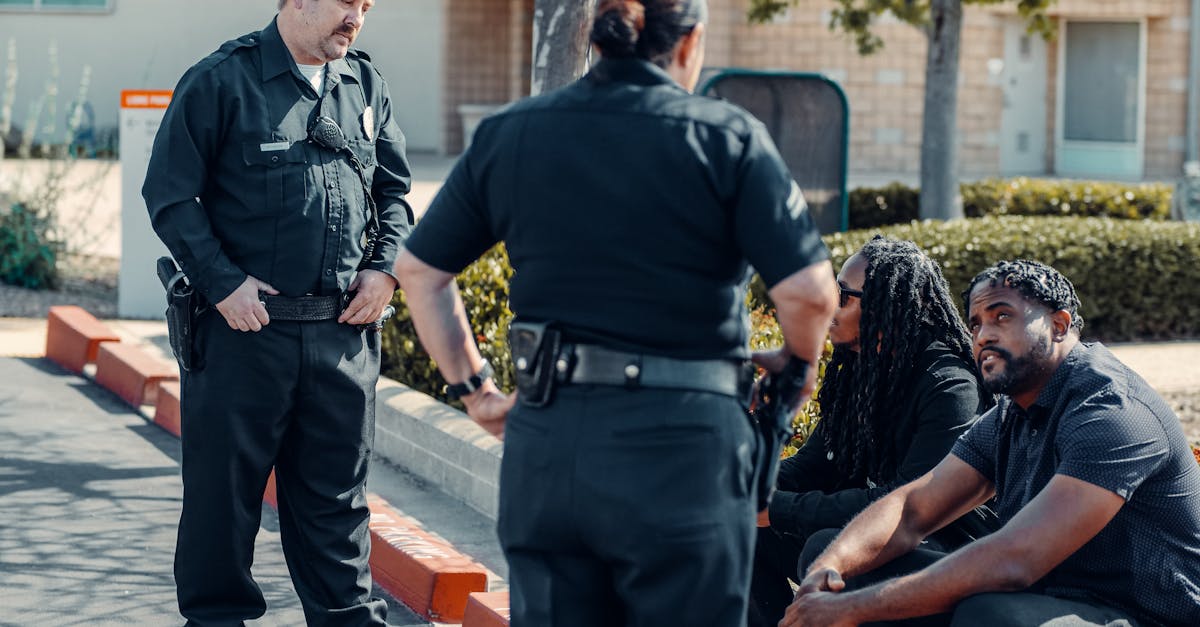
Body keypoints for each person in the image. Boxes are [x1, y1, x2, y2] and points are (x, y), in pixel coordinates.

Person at [394, 0, 838, 624]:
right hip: (684, 448)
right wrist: (797, 369)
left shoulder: (513, 132)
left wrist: (476, 391)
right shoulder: (727, 136)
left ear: (596, 35)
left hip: (552, 446)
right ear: (690, 42)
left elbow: (419, 271)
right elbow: (811, 294)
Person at [141, 1, 413, 624]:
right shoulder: (221, 81)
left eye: (366, 6)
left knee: (338, 508)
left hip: (341, 338)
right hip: (245, 338)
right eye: (346, 2)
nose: (356, 17)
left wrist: (385, 269)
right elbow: (170, 195)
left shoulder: (364, 84)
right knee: (222, 505)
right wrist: (223, 283)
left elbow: (394, 193)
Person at [781, 260, 1200, 627]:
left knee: (991, 615)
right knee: (839, 561)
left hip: (1142, 613)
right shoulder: (1011, 412)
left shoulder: (1111, 412)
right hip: (1049, 597)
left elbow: (1017, 559)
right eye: (976, 323)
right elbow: (911, 509)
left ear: (1059, 325)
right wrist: (831, 566)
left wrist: (853, 609)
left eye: (1002, 317)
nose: (983, 335)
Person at [748, 236, 997, 627]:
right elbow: (813, 464)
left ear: (890, 306)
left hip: (946, 549)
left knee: (825, 547)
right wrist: (746, 491)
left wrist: (777, 509)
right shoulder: (863, 370)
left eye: (844, 296)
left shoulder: (950, 387)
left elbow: (905, 506)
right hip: (879, 532)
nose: (830, 305)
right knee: (745, 528)